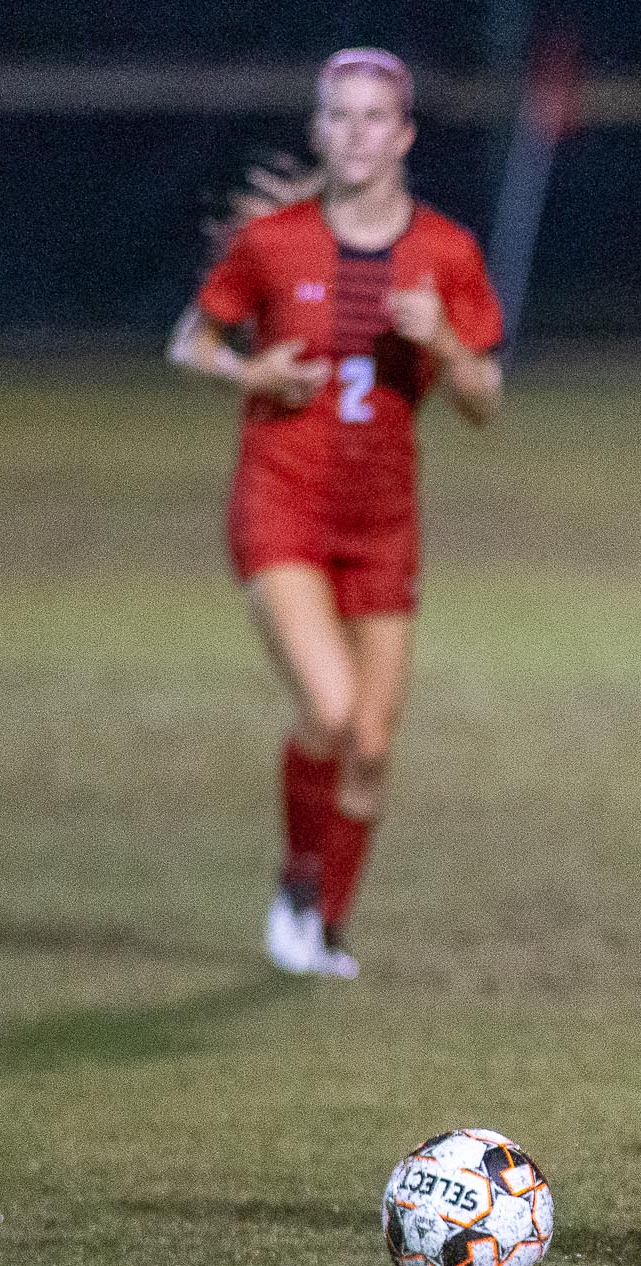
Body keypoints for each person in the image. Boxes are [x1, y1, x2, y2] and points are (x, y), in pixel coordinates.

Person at [171, 48, 504, 978]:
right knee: (330, 704)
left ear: (402, 134)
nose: (355, 133)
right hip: (281, 501)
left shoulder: (446, 252)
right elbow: (188, 341)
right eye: (338, 115)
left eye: (373, 118)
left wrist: (440, 337)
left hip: (382, 520)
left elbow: (483, 398)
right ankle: (296, 882)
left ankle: (321, 925)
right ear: (319, 129)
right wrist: (250, 370)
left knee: (369, 742)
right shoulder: (274, 241)